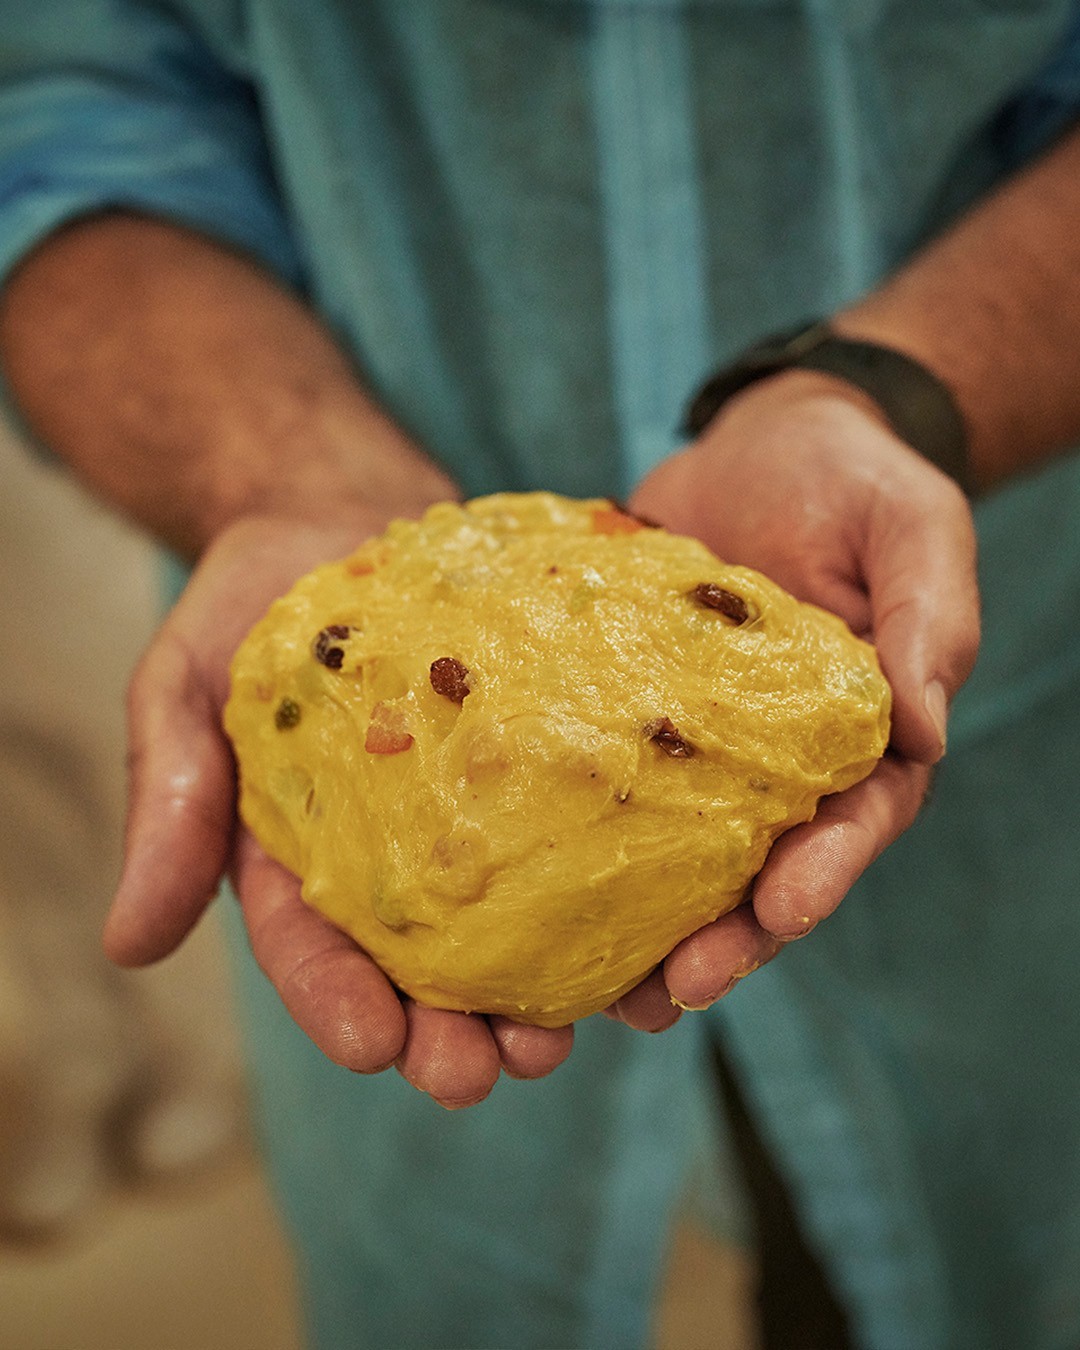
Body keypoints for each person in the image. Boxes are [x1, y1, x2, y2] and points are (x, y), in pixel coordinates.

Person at [0, 3, 1077, 1345]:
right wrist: (273, 471)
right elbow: (55, 109)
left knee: (992, 1255)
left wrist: (894, 388)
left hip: (1007, 734)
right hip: (346, 596)